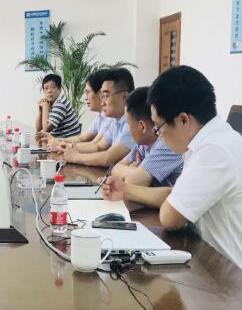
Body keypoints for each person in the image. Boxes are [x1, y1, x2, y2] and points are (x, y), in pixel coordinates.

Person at [104, 65, 242, 268]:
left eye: (158, 127)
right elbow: (173, 196)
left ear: (183, 119)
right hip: (208, 259)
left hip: (228, 275)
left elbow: (170, 217)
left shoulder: (214, 151)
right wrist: (125, 189)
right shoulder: (210, 140)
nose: (158, 136)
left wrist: (134, 190)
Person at [99, 87, 183, 209]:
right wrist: (137, 172)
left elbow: (132, 182)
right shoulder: (143, 144)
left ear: (142, 126)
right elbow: (116, 169)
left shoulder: (165, 144)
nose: (128, 129)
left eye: (128, 124)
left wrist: (136, 172)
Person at [61, 68, 137, 167]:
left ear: (124, 97)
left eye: (106, 96)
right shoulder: (115, 121)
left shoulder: (132, 123)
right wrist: (67, 148)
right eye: (102, 96)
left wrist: (74, 157)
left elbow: (108, 158)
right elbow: (98, 147)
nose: (102, 102)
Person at [38, 69, 113, 149]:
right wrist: (55, 140)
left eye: (87, 92)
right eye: (46, 88)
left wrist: (61, 145)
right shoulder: (100, 116)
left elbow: (97, 146)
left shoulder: (60, 103)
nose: (85, 98)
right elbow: (82, 138)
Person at [35, 74, 81, 139]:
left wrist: (45, 107)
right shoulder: (50, 102)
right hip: (59, 141)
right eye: (46, 88)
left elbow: (46, 130)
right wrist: (40, 109)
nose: (49, 91)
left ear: (59, 89)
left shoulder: (60, 104)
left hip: (69, 143)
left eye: (53, 87)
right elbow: (38, 128)